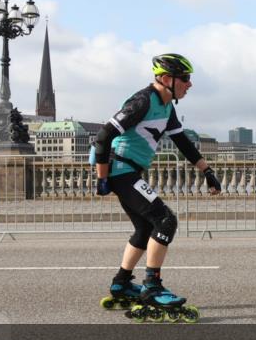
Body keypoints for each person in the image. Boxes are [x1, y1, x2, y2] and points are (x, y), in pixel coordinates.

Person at [93, 53, 221, 322]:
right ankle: (152, 286)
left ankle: (122, 283)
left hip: (129, 170)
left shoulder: (167, 107)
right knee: (165, 220)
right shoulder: (142, 101)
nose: (189, 84)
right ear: (166, 79)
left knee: (145, 227)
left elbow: (183, 143)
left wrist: (207, 171)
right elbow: (104, 136)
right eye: (185, 78)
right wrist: (102, 178)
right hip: (121, 169)